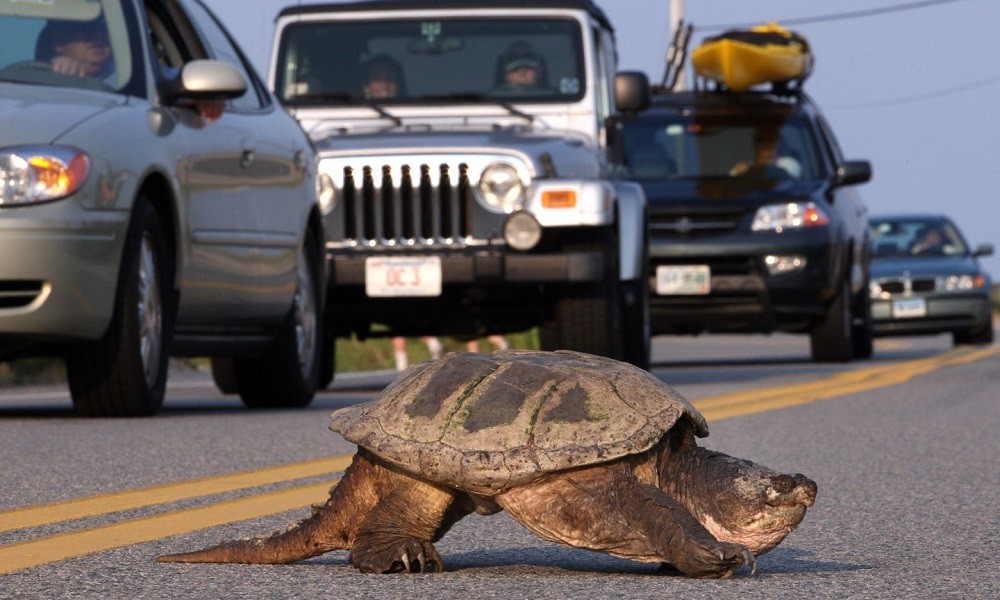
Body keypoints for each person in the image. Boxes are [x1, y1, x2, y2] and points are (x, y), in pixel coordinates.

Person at [35, 17, 114, 80]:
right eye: (84, 27)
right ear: (59, 42)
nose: (97, 34)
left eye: (102, 27)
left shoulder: (123, 81)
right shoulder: (42, 87)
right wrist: (58, 73)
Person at [730, 128, 798, 179]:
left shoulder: (788, 163)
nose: (766, 144)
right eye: (761, 140)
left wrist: (749, 171)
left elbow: (781, 174)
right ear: (755, 145)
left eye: (771, 140)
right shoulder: (739, 170)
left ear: (776, 143)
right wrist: (738, 176)